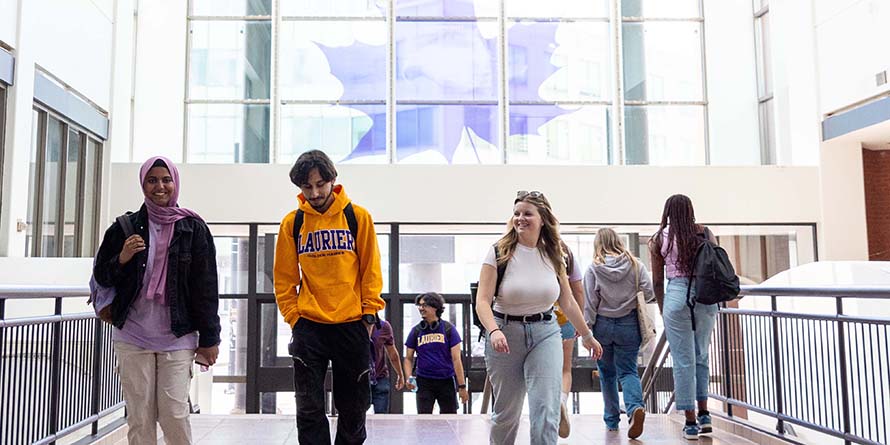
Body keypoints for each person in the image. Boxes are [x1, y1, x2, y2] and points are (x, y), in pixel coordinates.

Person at [93, 156, 220, 445]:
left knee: (174, 415)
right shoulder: (123, 228)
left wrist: (210, 338)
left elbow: (207, 288)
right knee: (140, 417)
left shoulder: (193, 228)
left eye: (166, 179)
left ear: (175, 183)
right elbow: (102, 274)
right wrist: (123, 258)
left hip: (178, 335)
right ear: (142, 184)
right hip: (133, 335)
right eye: (152, 180)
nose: (159, 186)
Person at [273, 149, 384, 445]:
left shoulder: (357, 217)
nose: (315, 192)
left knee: (353, 407)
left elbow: (370, 271)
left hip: (352, 325)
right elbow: (284, 280)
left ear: (332, 180)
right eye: (307, 187)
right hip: (309, 325)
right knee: (308, 407)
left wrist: (369, 318)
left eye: (320, 184)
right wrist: (294, 318)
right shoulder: (292, 224)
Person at [475, 190, 602, 445]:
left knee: (546, 410)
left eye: (527, 214)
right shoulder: (498, 252)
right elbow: (482, 302)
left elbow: (567, 300)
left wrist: (587, 335)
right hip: (505, 332)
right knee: (507, 414)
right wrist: (493, 331)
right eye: (517, 214)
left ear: (542, 218)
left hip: (546, 332)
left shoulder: (555, 254)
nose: (520, 219)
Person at [648, 194, 718, 440]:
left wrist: (662, 307)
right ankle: (705, 415)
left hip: (676, 294)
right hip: (705, 295)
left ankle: (689, 423)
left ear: (667, 211)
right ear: (691, 210)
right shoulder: (704, 232)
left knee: (683, 360)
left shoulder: (658, 239)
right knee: (701, 355)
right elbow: (716, 263)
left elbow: (657, 280)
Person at [584, 228, 655, 439]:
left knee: (607, 374)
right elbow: (649, 293)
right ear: (618, 241)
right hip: (629, 324)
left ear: (598, 244)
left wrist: (587, 330)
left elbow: (590, 303)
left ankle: (612, 422)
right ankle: (635, 409)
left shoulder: (593, 269)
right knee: (628, 371)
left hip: (603, 326)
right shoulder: (635, 265)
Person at [403, 292, 469, 414]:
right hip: (424, 382)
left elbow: (456, 359)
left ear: (435, 307)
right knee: (424, 421)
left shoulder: (449, 329)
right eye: (419, 305)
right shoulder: (416, 331)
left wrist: (462, 387)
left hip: (446, 381)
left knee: (449, 419)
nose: (421, 308)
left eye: (424, 305)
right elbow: (408, 358)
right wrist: (408, 377)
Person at [552, 241, 585, 439]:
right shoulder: (567, 252)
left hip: (542, 316)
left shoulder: (535, 247)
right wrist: (579, 320)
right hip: (565, 317)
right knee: (565, 368)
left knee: (542, 370)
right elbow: (578, 290)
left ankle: (549, 409)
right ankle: (562, 401)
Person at [370, 318, 405, 413]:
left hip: (379, 377)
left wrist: (400, 375)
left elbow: (393, 354)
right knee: (356, 418)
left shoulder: (383, 326)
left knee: (381, 417)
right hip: (359, 379)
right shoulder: (353, 325)